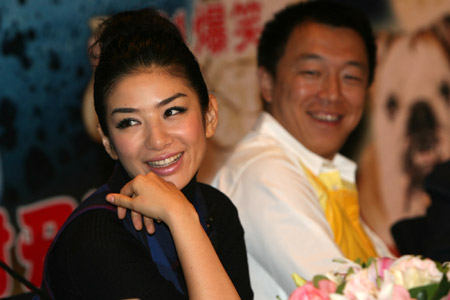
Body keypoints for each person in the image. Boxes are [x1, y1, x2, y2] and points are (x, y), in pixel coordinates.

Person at [38, 8, 253, 300]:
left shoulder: (217, 210)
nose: (158, 139)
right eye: (129, 122)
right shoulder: (95, 235)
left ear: (210, 115)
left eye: (172, 111)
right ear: (108, 141)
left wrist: (181, 216)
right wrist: (182, 216)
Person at [211, 1, 392, 299]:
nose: (332, 93)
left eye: (351, 77)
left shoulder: (320, 175)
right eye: (311, 72)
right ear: (267, 83)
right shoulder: (264, 172)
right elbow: (341, 294)